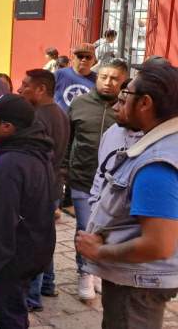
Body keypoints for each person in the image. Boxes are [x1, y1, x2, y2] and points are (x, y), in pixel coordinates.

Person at [76, 64, 178, 329]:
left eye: (126, 95)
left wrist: (100, 251)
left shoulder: (156, 164)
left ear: (145, 102)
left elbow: (157, 245)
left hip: (136, 286)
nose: (118, 102)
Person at [0, 94, 57, 329]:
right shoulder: (31, 147)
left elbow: (0, 219)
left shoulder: (9, 166)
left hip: (13, 256)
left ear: (7, 127)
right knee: (14, 308)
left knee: (5, 315)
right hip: (30, 247)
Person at [68, 58, 128, 300]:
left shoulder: (126, 109)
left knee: (109, 229)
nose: (108, 82)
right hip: (82, 178)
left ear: (123, 81)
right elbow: (67, 139)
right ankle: (84, 272)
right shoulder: (79, 104)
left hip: (115, 183)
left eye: (114, 78)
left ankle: (100, 271)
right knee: (86, 227)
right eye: (104, 77)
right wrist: (64, 169)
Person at [17, 69, 71, 311]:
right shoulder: (60, 112)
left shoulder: (36, 117)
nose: (20, 89)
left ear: (41, 89)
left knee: (33, 241)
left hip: (40, 188)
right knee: (45, 236)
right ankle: (48, 283)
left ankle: (32, 296)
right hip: (53, 185)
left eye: (26, 85)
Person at [54, 43, 98, 111]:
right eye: (80, 56)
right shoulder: (59, 74)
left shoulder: (98, 80)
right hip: (59, 120)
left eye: (88, 57)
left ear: (94, 60)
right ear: (73, 58)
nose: (84, 60)